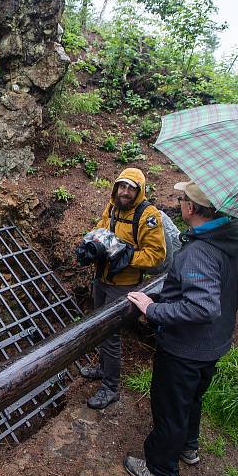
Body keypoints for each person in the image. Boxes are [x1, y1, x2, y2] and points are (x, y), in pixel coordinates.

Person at [123, 181, 238, 476]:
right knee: (192, 398)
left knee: (169, 406)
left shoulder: (200, 253)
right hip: (214, 344)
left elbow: (203, 308)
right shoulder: (237, 243)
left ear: (191, 208)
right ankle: (188, 447)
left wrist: (153, 310)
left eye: (181, 199)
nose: (179, 203)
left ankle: (161, 470)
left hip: (185, 349)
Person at [82, 167, 166, 409]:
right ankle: (102, 367)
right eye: (122, 186)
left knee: (110, 335)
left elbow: (157, 254)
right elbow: (100, 228)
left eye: (131, 188)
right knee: (99, 328)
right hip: (102, 278)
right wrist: (90, 244)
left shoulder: (148, 215)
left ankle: (111, 388)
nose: (125, 192)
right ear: (116, 187)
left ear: (139, 191)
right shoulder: (112, 207)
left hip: (124, 285)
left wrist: (128, 257)